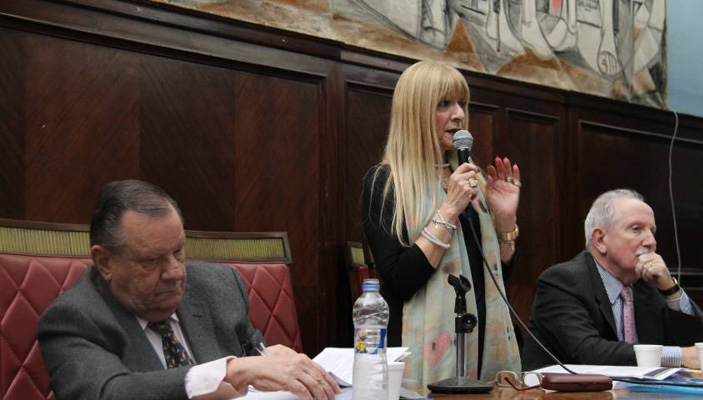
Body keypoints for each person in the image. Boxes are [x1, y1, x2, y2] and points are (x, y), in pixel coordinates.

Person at [38, 180, 339, 400]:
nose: (174, 272)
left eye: (179, 251)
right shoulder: (73, 319)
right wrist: (228, 371)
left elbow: (254, 358)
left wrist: (271, 359)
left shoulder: (218, 286)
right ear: (105, 261)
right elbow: (109, 393)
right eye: (152, 260)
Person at [361, 60, 522, 390]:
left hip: (479, 351)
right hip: (413, 354)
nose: (459, 114)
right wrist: (448, 210)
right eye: (444, 104)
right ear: (416, 113)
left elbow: (494, 282)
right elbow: (400, 281)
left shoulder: (472, 180)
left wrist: (505, 225)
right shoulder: (386, 183)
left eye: (462, 103)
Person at [522, 189, 703, 370]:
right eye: (636, 229)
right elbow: (588, 352)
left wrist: (670, 289)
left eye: (652, 231)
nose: (651, 241)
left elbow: (702, 347)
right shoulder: (562, 281)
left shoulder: (646, 286)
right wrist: (678, 356)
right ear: (600, 239)